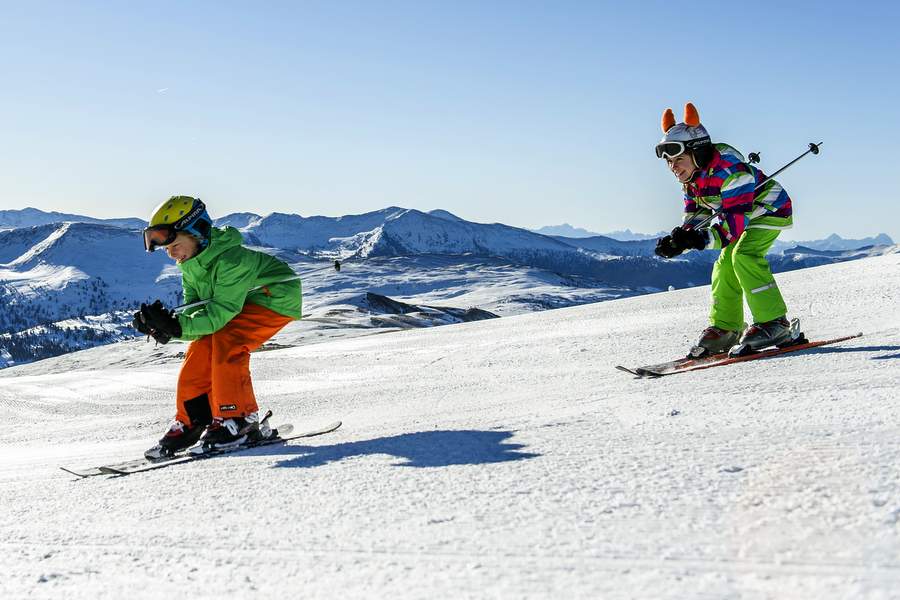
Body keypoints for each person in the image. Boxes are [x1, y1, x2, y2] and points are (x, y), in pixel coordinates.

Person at [133, 196, 301, 459]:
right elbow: (198, 313)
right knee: (200, 347)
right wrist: (169, 327)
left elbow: (220, 313)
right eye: (167, 249)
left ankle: (239, 420)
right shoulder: (191, 264)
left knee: (228, 339)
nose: (171, 253)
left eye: (174, 245)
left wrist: (176, 327)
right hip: (241, 302)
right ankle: (193, 420)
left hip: (273, 298)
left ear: (197, 232)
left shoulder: (231, 261)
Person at [653, 103, 794, 357]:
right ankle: (726, 328)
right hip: (742, 218)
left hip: (769, 210)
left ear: (697, 153)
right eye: (669, 162)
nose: (673, 167)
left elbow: (732, 229)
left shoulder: (732, 173)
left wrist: (696, 240)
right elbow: (697, 215)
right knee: (724, 264)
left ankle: (775, 323)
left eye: (678, 159)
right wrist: (681, 238)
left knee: (744, 255)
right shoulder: (691, 179)